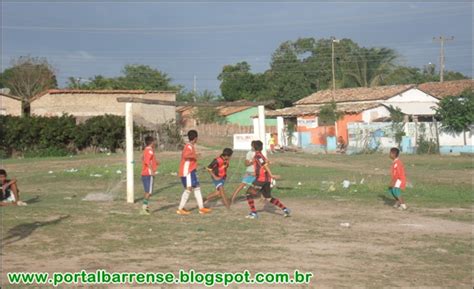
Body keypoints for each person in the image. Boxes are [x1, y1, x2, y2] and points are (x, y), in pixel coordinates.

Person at [245, 140, 291, 219]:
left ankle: (253, 213)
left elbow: (264, 166)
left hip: (261, 179)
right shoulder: (260, 155)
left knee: (248, 194)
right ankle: (285, 209)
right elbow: (263, 165)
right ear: (261, 148)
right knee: (268, 197)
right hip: (266, 180)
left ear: (253, 147)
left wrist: (272, 175)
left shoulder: (258, 156)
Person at [177, 130, 211, 215]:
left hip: (191, 170)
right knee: (189, 189)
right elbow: (186, 156)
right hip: (187, 171)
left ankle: (201, 208)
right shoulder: (188, 146)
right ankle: (180, 209)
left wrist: (198, 164)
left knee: (197, 187)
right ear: (195, 138)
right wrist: (196, 155)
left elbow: (190, 159)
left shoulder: (191, 146)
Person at [140, 136, 159, 215]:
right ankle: (144, 208)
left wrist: (155, 163)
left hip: (144, 173)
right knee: (149, 192)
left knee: (147, 191)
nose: (155, 143)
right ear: (151, 142)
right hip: (148, 174)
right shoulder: (150, 151)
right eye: (154, 141)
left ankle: (145, 207)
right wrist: (152, 171)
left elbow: (142, 158)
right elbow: (147, 161)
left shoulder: (146, 150)